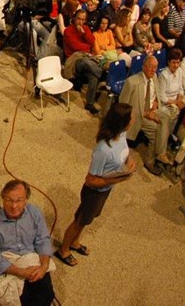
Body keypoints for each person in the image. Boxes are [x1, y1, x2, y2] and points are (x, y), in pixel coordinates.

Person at [54, 102, 137, 267]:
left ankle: (75, 242)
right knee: (79, 220)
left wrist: (129, 160)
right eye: (131, 117)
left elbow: (124, 150)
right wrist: (118, 179)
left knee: (86, 220)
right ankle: (63, 250)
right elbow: (90, 180)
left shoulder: (122, 134)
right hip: (94, 192)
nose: (133, 119)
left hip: (106, 189)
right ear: (123, 122)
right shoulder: (103, 150)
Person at [0, 179, 55, 306]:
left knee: (46, 295)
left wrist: (44, 267)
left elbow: (43, 240)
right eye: (9, 200)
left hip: (32, 259)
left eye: (18, 200)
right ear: (2, 199)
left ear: (26, 199)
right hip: (9, 265)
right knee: (21, 300)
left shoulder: (35, 213)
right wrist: (22, 272)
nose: (14, 206)